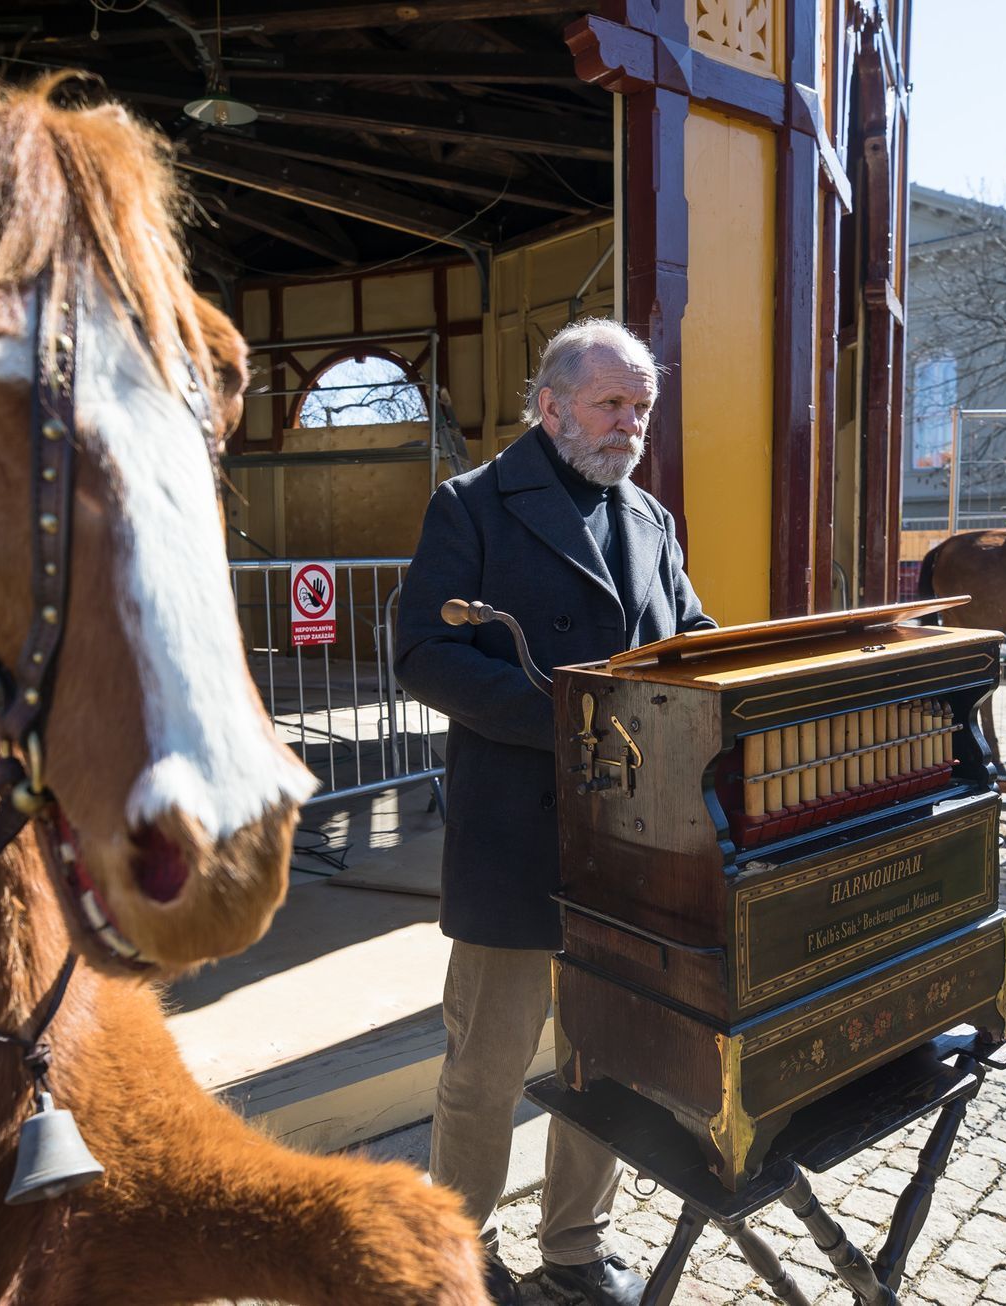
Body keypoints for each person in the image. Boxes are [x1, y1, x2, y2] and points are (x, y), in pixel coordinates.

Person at [395, 319, 716, 1306]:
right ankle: (457, 1246)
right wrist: (571, 722)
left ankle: (575, 1248)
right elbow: (422, 653)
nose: (630, 425)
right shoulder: (472, 508)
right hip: (516, 837)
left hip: (633, 851)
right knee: (484, 1070)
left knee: (605, 1063)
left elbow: (693, 635)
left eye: (642, 408)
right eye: (612, 404)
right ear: (550, 405)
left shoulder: (653, 521)